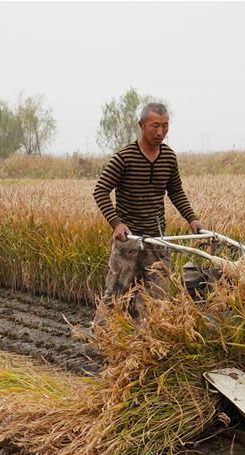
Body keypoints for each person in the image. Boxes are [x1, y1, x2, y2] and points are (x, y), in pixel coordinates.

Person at [92, 102, 204, 323]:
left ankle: (146, 343)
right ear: (141, 125)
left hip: (157, 239)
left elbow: (175, 191)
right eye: (155, 126)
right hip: (129, 240)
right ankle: (99, 340)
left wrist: (193, 219)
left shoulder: (168, 158)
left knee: (157, 298)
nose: (160, 132)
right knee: (116, 294)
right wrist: (116, 223)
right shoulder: (124, 158)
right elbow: (100, 191)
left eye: (165, 126)